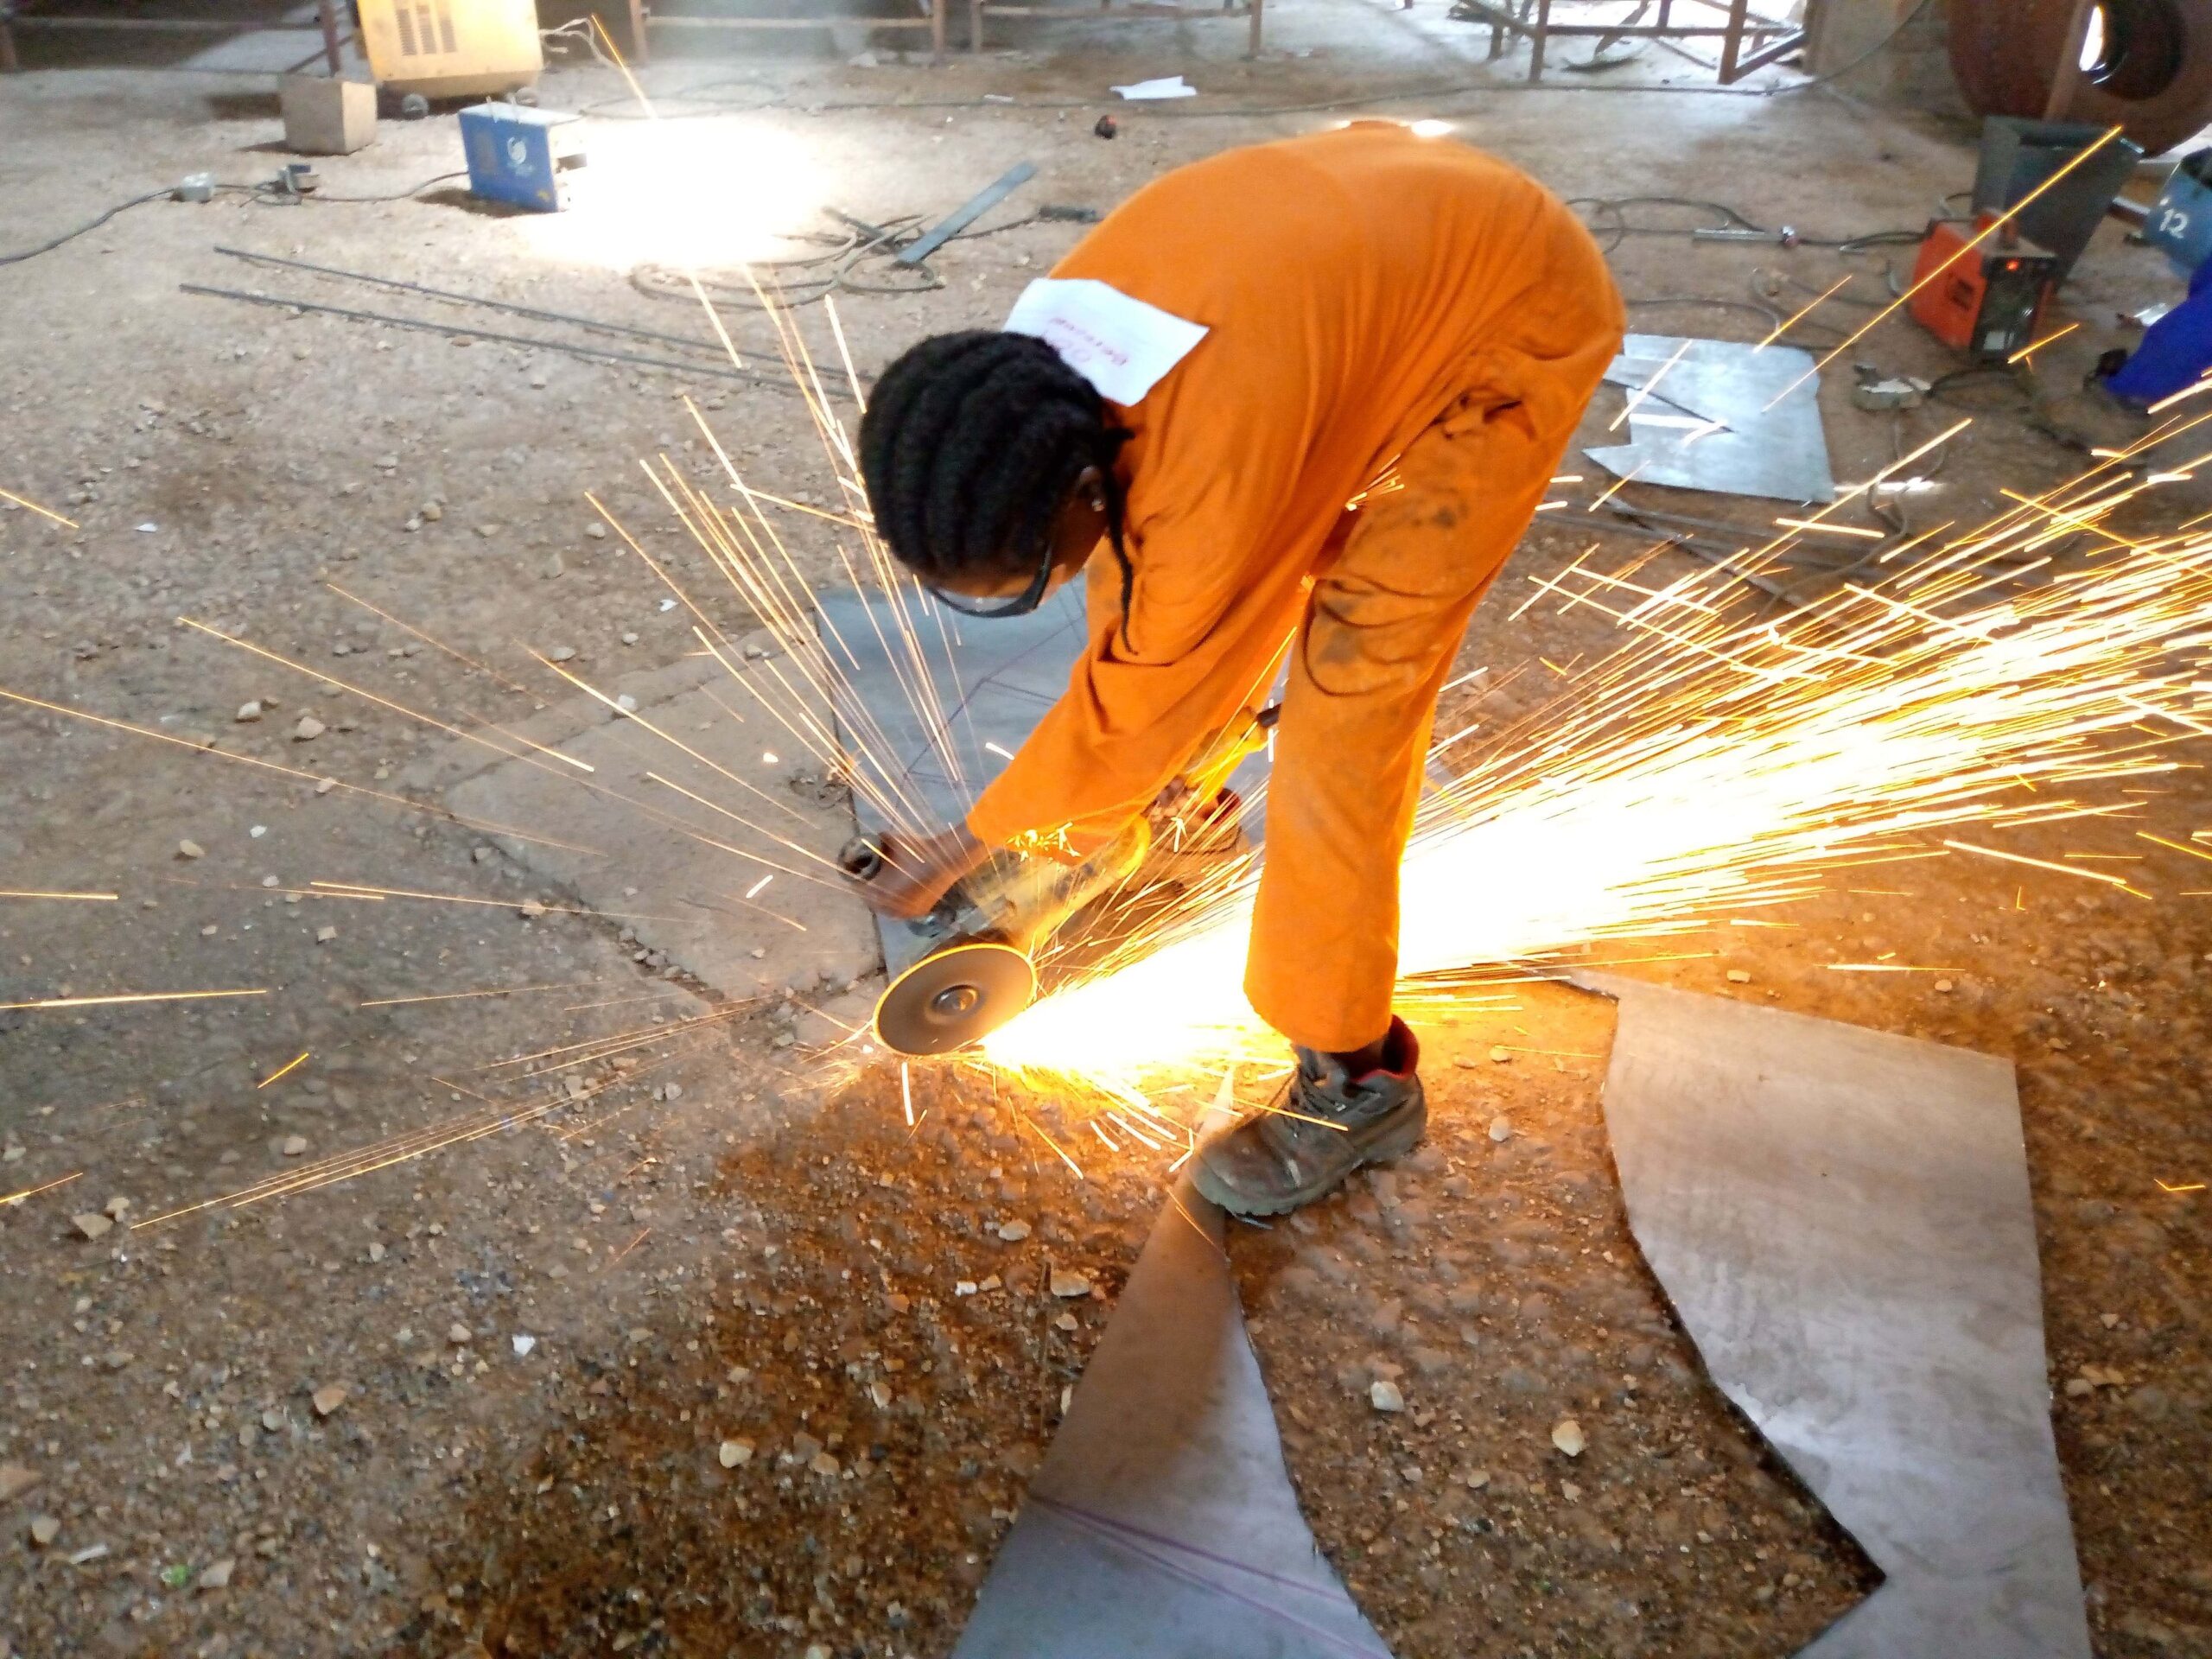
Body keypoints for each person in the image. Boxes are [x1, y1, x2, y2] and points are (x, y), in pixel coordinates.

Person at [849, 121, 1624, 1216]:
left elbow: (1164, 668)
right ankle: (1164, 812)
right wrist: (1046, 819)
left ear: (1078, 491)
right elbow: (1143, 625)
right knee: (1162, 624)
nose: (1049, 587)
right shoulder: (1045, 382)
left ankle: (1359, 1080)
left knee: (1347, 704)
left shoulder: (1205, 467)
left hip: (1504, 321)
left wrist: (967, 845)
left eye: (1031, 576)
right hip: (1387, 246)